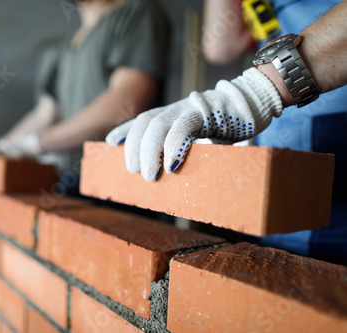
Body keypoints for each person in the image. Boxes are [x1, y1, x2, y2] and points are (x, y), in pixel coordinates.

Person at [106, 0, 347, 264]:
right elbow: (222, 46)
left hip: (331, 107)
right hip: (278, 121)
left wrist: (257, 92)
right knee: (286, 262)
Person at [0, 0, 170, 189]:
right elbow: (45, 114)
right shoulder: (63, 47)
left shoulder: (138, 12)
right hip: (68, 182)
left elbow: (124, 103)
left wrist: (33, 144)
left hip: (121, 183)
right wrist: (2, 146)